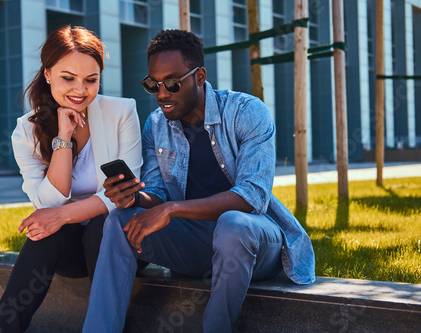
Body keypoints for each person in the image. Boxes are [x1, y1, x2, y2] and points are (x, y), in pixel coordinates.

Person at [82, 29, 316, 333]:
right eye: (153, 85)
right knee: (119, 220)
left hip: (254, 243)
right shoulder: (156, 125)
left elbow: (251, 197)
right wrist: (134, 197)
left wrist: (172, 209)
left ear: (200, 76)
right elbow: (156, 194)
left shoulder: (246, 112)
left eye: (173, 84)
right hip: (196, 243)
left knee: (234, 224)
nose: (162, 94)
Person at [0, 25, 142, 333]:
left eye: (91, 79)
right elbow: (47, 202)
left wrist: (60, 216)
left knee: (103, 223)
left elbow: (125, 194)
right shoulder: (26, 131)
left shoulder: (122, 111)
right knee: (46, 234)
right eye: (68, 78)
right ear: (47, 74)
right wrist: (63, 137)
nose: (80, 90)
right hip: (70, 252)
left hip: (122, 245)